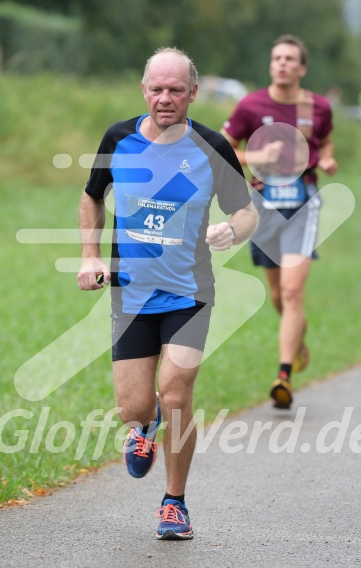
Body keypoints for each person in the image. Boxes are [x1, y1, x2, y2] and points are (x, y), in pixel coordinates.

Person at [77, 47, 258, 540]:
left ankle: (174, 502)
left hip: (189, 292)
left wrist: (231, 230)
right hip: (131, 294)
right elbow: (92, 196)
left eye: (176, 90)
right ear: (144, 90)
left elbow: (246, 211)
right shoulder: (118, 138)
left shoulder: (211, 145)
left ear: (193, 93)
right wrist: (91, 255)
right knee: (133, 408)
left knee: (176, 391)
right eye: (156, 88)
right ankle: (146, 423)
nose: (165, 98)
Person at [221, 35, 338, 409]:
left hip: (303, 202)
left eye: (290, 59)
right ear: (270, 66)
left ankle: (283, 375)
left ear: (302, 68)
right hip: (263, 205)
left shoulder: (317, 107)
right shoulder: (251, 105)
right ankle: (297, 336)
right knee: (277, 294)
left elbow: (326, 140)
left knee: (291, 292)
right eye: (277, 58)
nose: (282, 64)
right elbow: (221, 148)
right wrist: (258, 153)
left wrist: (327, 159)